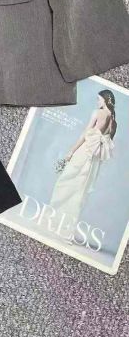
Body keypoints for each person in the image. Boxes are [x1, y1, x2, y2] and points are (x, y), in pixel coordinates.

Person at [48, 90, 117, 243]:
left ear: (106, 100)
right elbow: (106, 145)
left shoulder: (97, 113)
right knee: (80, 193)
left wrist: (71, 151)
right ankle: (66, 230)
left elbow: (84, 135)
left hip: (84, 153)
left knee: (64, 184)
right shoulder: (114, 122)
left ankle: (54, 221)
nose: (97, 102)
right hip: (94, 161)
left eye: (99, 99)